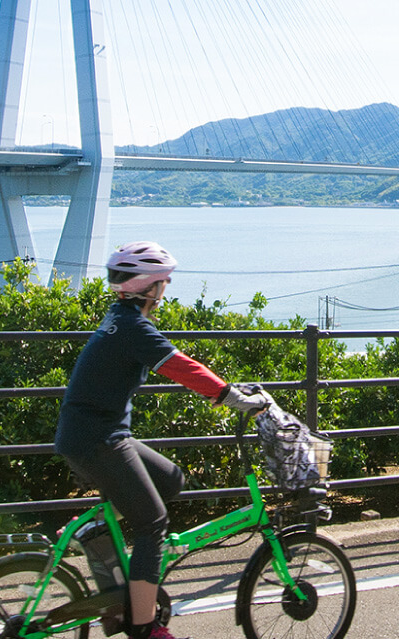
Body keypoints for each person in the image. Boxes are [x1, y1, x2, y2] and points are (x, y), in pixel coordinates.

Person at [54, 241, 270, 639]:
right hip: (98, 439)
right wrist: (232, 397)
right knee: (152, 524)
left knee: (170, 479)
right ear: (148, 287)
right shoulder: (134, 328)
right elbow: (180, 367)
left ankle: (97, 531)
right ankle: (144, 627)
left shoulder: (119, 317)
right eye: (164, 280)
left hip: (95, 433)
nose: (167, 286)